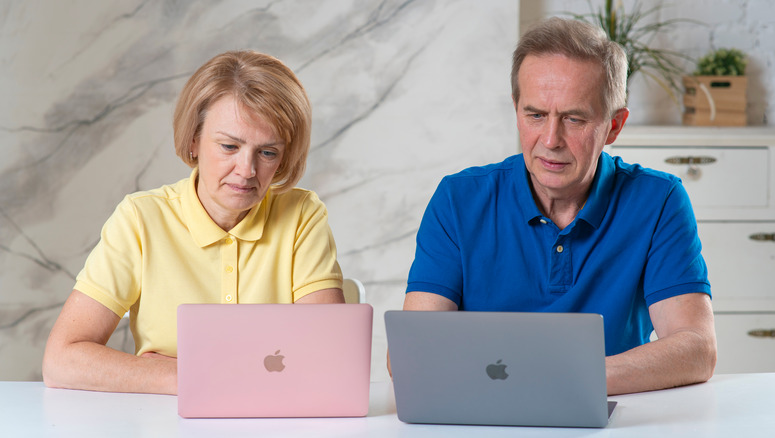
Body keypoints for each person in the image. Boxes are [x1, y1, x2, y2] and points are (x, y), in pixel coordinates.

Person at [398, 18, 716, 395]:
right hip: (483, 416)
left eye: (574, 118)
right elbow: (409, 354)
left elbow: (697, 349)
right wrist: (544, 380)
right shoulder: (457, 200)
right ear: (516, 109)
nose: (550, 140)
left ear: (614, 126)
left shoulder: (659, 200)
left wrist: (563, 379)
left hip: (611, 414)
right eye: (535, 115)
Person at [43, 50, 345, 395]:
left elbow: (331, 357)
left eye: (268, 152)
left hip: (272, 419)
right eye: (229, 146)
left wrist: (192, 368)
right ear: (193, 141)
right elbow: (60, 361)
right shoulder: (141, 219)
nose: (247, 171)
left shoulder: (302, 215)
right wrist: (180, 376)